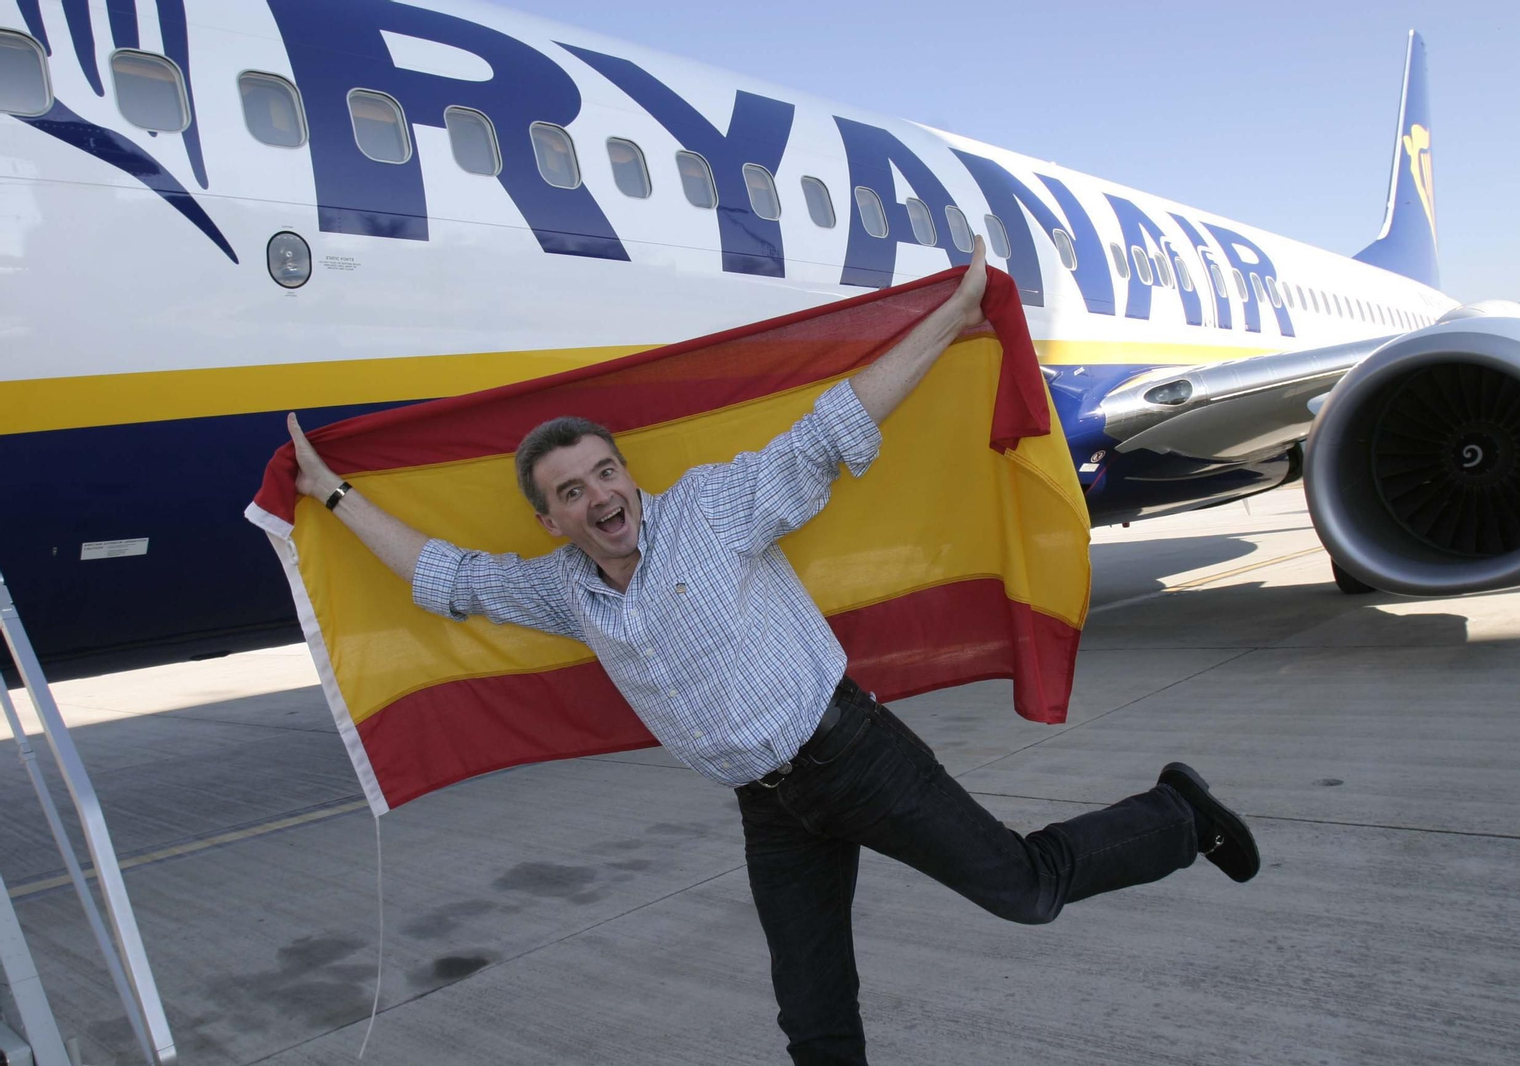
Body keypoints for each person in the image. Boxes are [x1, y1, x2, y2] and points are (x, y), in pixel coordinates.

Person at [285, 237, 1259, 1066]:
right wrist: (331, 493)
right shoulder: (559, 590)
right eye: (571, 492)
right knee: (813, 1015)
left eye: (603, 471)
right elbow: (444, 574)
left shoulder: (711, 508)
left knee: (1026, 889)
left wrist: (956, 307)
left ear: (628, 472)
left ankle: (1179, 814)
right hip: (771, 803)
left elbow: (835, 424)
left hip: (854, 754)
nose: (597, 496)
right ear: (552, 521)